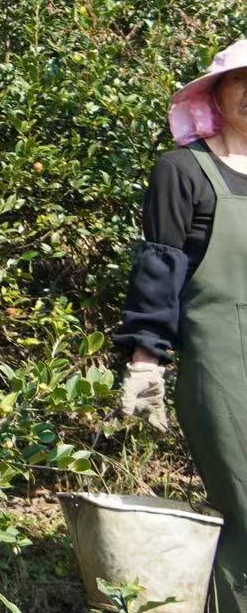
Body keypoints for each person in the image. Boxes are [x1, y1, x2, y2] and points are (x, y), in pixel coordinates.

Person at [116, 39, 247, 611]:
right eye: (243, 80)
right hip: (222, 361)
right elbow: (159, 269)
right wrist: (146, 360)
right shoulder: (183, 171)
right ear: (216, 92)